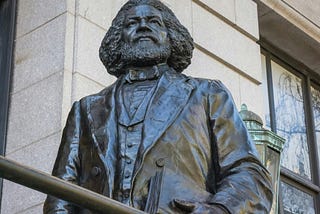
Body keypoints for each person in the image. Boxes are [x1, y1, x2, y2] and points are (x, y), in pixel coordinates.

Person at [44, 0, 273, 213]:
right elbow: (61, 193)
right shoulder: (85, 110)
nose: (143, 27)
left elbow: (249, 173)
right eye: (132, 23)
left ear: (171, 35)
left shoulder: (207, 95)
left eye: (154, 22)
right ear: (118, 38)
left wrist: (220, 210)